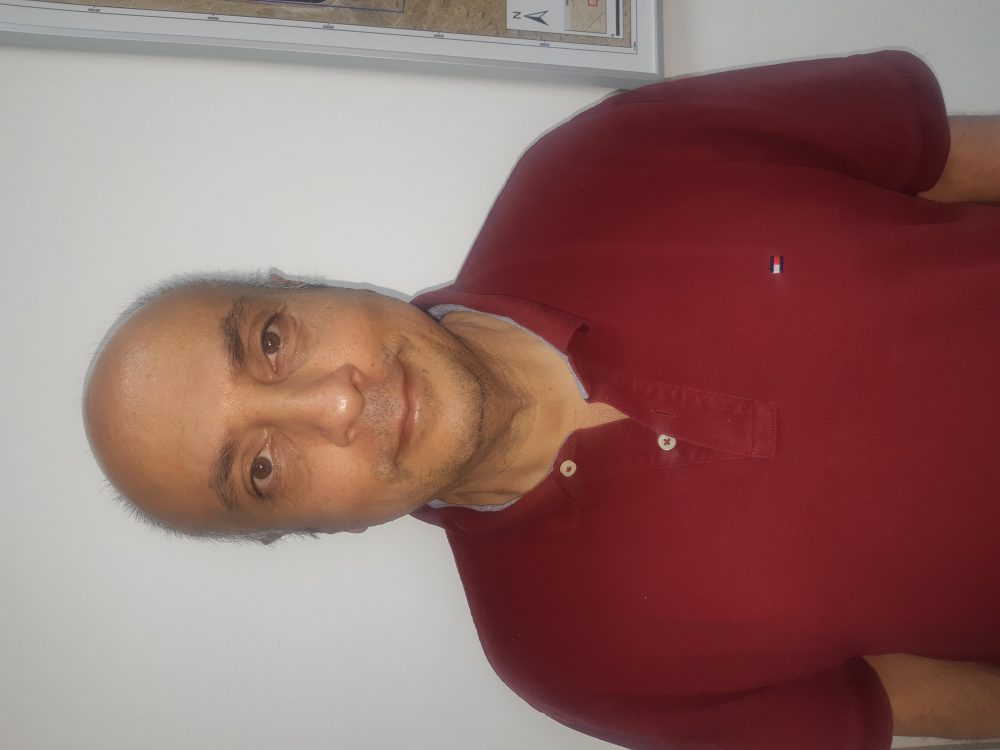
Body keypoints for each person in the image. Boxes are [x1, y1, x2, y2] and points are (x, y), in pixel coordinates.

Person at [83, 50, 1000, 749]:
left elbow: (943, 162)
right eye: (261, 468)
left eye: (271, 343)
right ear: (304, 528)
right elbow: (906, 692)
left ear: (297, 287)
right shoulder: (566, 659)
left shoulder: (600, 163)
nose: (334, 407)